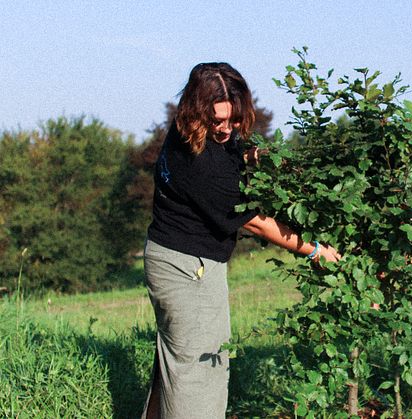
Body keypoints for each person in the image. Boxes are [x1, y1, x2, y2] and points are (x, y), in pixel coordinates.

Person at [141, 62, 340, 419]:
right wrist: (314, 250)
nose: (225, 129)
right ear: (196, 109)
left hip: (168, 257)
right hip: (189, 270)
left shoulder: (187, 128)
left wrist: (255, 156)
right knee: (201, 372)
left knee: (179, 364)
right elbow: (258, 224)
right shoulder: (202, 166)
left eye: (232, 120)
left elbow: (229, 153)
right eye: (216, 121)